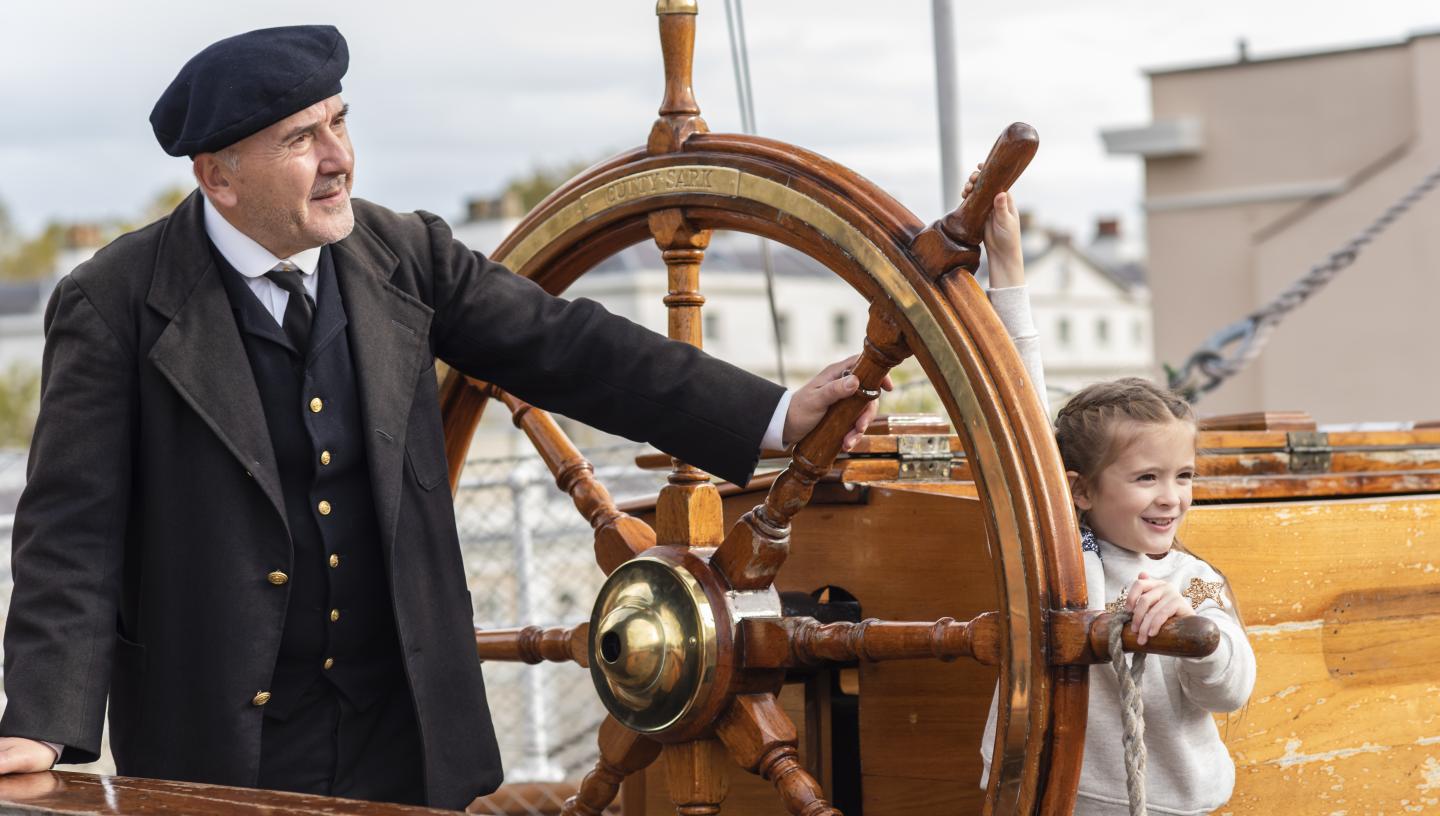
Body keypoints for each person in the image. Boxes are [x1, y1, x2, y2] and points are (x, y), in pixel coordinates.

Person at [0, 25, 886, 810]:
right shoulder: (113, 302)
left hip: (407, 730)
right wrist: (40, 723)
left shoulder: (406, 254)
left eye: (339, 121)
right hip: (224, 742)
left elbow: (574, 349)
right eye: (301, 138)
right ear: (218, 177)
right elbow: (71, 531)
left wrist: (773, 411)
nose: (340, 156)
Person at [967, 169, 1256, 815]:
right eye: (1147, 478)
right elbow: (1015, 406)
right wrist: (1007, 267)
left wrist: (1196, 632)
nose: (1171, 498)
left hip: (1165, 803)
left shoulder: (1193, 578)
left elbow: (1230, 690)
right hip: (1046, 789)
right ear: (1078, 489)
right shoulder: (1051, 548)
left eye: (1183, 477)